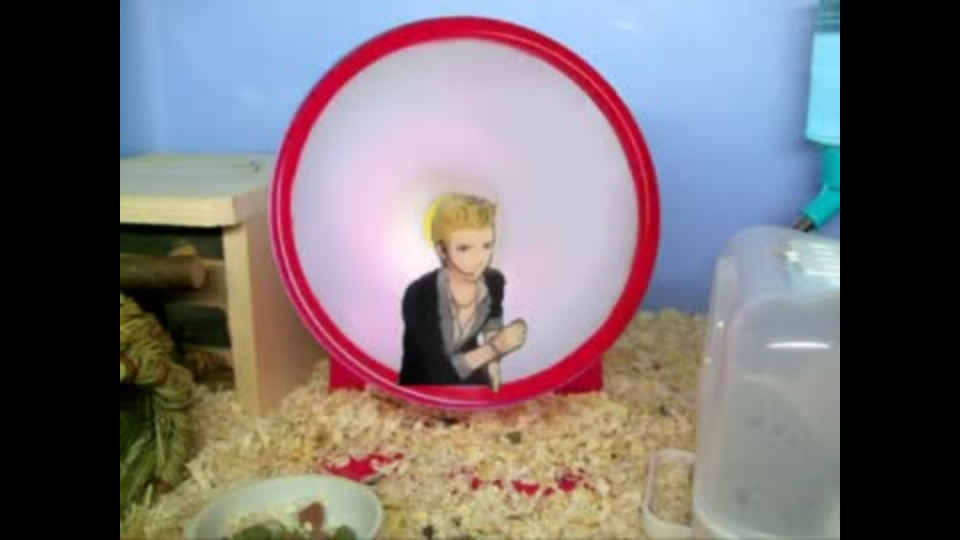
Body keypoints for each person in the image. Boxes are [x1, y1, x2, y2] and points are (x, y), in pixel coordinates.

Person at [398, 192, 527, 390]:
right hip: (422, 390)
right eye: (465, 248)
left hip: (472, 386)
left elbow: (492, 323)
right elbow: (435, 372)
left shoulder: (494, 281)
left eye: (486, 245)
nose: (479, 259)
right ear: (442, 250)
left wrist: (493, 364)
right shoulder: (419, 294)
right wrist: (495, 348)